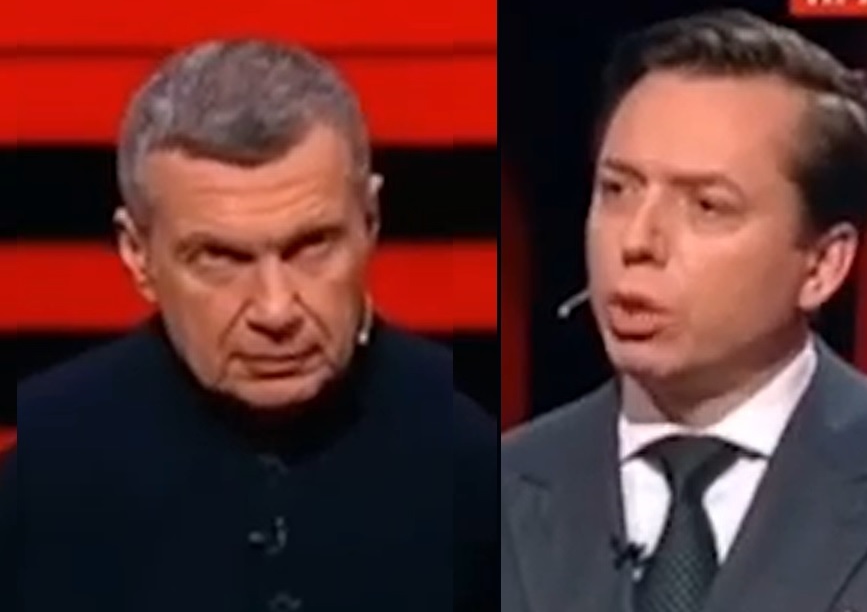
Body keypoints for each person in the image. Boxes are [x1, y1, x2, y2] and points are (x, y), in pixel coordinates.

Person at [501, 9, 867, 612]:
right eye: (617, 190)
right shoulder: (482, 496)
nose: (637, 241)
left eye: (707, 206)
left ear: (822, 265)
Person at [4, 39, 497, 612]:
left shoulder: (474, 454)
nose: (275, 310)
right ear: (137, 254)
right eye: (220, 257)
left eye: (312, 246)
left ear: (371, 220)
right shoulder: (47, 465)